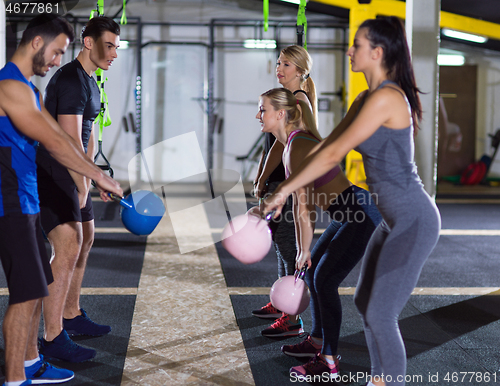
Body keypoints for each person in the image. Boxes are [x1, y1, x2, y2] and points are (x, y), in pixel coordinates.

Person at [263, 17, 441, 386]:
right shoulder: (364, 99)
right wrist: (286, 185)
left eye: (357, 45)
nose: (349, 50)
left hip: (412, 218)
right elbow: (325, 146)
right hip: (390, 219)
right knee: (364, 302)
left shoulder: (387, 98)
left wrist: (282, 190)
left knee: (378, 312)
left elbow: (331, 156)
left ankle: (381, 380)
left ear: (377, 53)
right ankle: (373, 376)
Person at [0, 14, 122, 386]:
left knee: (36, 286)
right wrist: (97, 176)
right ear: (37, 43)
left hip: (26, 198)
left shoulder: (29, 89)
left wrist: (92, 172)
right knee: (25, 293)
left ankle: (33, 360)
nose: (56, 61)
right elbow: (56, 142)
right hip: (10, 202)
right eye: (55, 52)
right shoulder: (10, 87)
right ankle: (16, 377)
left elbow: (59, 138)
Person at [256, 88, 381, 380]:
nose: (258, 115)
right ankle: (317, 341)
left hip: (358, 215)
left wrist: (303, 249)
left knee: (324, 279)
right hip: (349, 213)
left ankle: (329, 361)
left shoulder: (296, 147)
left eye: (263, 109)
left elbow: (305, 207)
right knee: (314, 276)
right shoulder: (292, 145)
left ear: (281, 114)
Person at [36, 16, 120, 363]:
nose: (114, 53)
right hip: (53, 173)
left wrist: (93, 174)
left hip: (73, 172)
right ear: (89, 42)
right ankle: (52, 336)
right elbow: (68, 142)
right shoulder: (70, 80)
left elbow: (87, 138)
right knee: (68, 247)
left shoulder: (90, 80)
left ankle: (70, 314)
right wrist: (88, 183)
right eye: (109, 45)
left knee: (86, 238)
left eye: (117, 46)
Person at [252, 45, 318, 338]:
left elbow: (282, 146)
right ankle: (283, 302)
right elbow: (273, 144)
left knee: (288, 245)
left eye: (287, 64)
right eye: (279, 63)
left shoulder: (298, 100)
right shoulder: (288, 98)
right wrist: (261, 172)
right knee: (281, 244)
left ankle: (292, 317)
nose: (280, 68)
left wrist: (265, 174)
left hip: (287, 181)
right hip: (279, 180)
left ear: (301, 71)